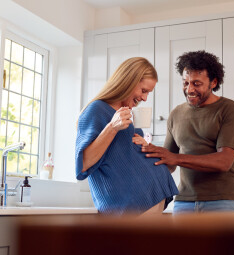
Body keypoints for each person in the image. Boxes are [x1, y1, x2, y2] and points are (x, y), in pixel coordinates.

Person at [142, 51, 234, 214]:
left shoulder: (229, 109)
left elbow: (224, 161)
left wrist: (175, 158)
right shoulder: (176, 114)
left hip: (223, 200)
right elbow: (168, 163)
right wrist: (145, 153)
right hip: (184, 201)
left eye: (197, 84)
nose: (189, 89)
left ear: (213, 82)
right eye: (185, 82)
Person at [75, 57, 178, 215]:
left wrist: (143, 146)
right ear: (128, 81)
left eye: (148, 93)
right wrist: (112, 127)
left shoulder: (126, 115)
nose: (144, 98)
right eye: (144, 91)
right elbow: (83, 164)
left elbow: (122, 155)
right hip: (129, 207)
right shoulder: (97, 110)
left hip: (147, 200)